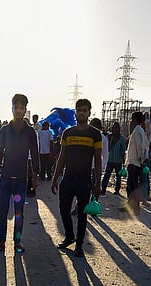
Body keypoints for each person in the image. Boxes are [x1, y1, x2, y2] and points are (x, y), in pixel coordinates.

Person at [51, 98, 102, 258]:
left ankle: (79, 245)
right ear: (75, 112)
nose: (81, 112)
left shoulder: (95, 134)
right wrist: (55, 178)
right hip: (68, 179)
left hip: (85, 180)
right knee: (63, 209)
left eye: (84, 110)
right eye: (79, 109)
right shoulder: (68, 133)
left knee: (82, 213)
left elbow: (98, 160)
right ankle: (69, 236)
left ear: (89, 112)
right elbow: (62, 157)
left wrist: (98, 183)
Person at [0, 93, 39, 254]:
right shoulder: (5, 130)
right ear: (11, 108)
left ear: (25, 110)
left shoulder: (30, 132)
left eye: (21, 108)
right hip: (5, 179)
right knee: (2, 211)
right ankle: (2, 241)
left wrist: (35, 175)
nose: (18, 110)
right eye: (15, 107)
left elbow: (35, 153)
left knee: (19, 213)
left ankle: (17, 242)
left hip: (21, 180)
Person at [120, 111, 147, 216]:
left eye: (132, 119)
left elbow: (140, 148)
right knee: (131, 185)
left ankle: (135, 207)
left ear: (135, 119)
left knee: (133, 186)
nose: (130, 122)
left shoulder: (137, 131)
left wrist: (141, 161)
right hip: (134, 162)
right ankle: (131, 205)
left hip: (135, 163)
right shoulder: (139, 131)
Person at [102, 122, 126, 193]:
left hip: (118, 160)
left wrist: (123, 159)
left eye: (116, 128)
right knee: (107, 175)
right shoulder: (110, 137)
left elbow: (123, 149)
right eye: (113, 128)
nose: (114, 129)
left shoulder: (121, 138)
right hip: (110, 160)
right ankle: (103, 189)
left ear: (118, 129)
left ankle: (117, 190)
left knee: (118, 176)